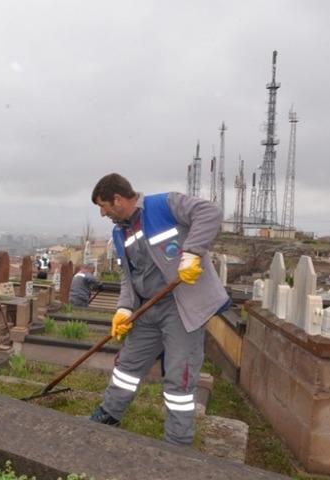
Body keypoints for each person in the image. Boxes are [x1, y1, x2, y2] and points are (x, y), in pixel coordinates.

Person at [88, 173, 228, 447]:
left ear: (117, 200)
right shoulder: (120, 232)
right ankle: (109, 414)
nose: (103, 213)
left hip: (180, 307)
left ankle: (177, 443)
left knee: (179, 377)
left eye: (103, 206)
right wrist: (124, 310)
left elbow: (210, 212)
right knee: (127, 366)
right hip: (147, 310)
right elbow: (130, 277)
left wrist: (192, 254)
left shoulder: (164, 205)